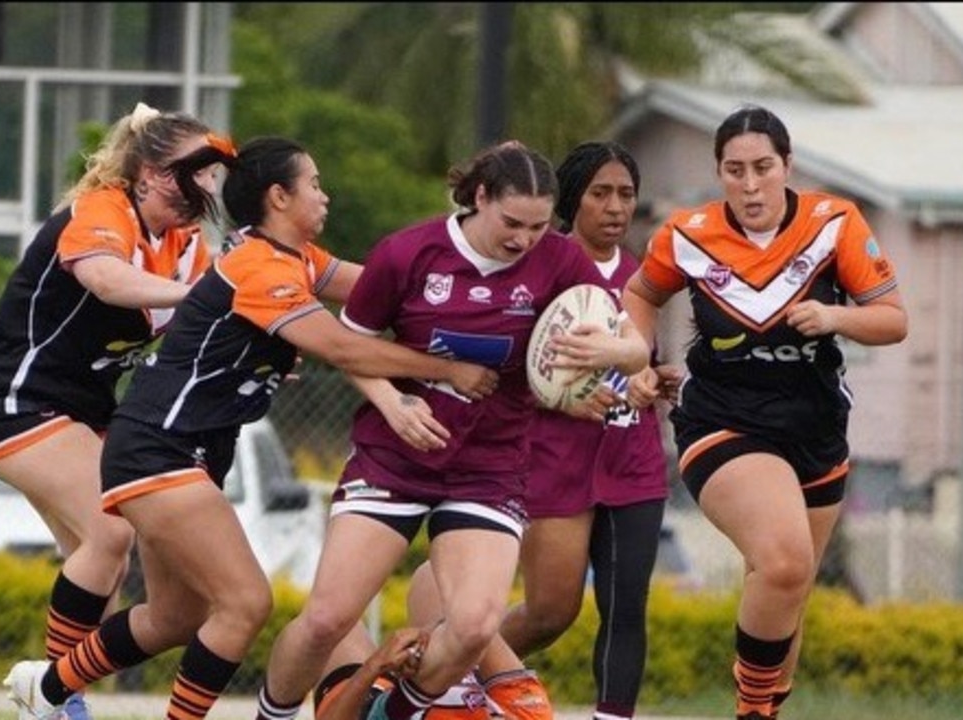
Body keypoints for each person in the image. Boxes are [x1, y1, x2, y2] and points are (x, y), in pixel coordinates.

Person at [1, 135, 499, 720]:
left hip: (178, 451)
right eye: (314, 184)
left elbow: (384, 289)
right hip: (158, 448)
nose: (326, 196)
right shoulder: (260, 267)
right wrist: (446, 369)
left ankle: (49, 687)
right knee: (243, 604)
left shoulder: (299, 261)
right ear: (279, 197)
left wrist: (485, 278)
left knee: (176, 617)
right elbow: (342, 346)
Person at [255, 141, 650, 720]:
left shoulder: (560, 263)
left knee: (472, 626)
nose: (524, 239)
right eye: (512, 223)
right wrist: (393, 405)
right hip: (394, 459)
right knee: (326, 620)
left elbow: (636, 349)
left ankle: (394, 715)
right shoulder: (408, 254)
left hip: (486, 468)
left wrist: (608, 348)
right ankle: (274, 715)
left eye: (540, 226)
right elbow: (351, 349)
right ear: (480, 197)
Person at [609, 104, 908, 720]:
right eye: (734, 170)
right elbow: (640, 293)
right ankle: (750, 710)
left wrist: (834, 317)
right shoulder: (687, 234)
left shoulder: (835, 224)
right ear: (719, 172)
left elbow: (892, 321)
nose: (750, 186)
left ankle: (765, 711)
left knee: (785, 589)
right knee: (784, 561)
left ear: (787, 166)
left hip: (817, 429)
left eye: (763, 168)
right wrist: (637, 359)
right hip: (723, 420)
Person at [0, 101, 237, 720]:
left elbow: (236, 306)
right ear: (155, 174)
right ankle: (55, 698)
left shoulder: (186, 245)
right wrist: (202, 297)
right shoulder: (104, 209)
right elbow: (108, 280)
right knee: (112, 528)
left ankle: (51, 691)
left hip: (81, 407)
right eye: (200, 173)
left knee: (100, 550)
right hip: (12, 396)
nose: (210, 189)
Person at [496, 141, 678, 720]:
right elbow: (511, 369)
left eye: (626, 194)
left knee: (626, 608)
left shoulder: (644, 277)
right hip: (555, 461)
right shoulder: (538, 263)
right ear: (573, 200)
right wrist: (567, 400)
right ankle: (443, 672)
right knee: (551, 610)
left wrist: (654, 379)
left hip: (633, 461)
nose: (616, 206)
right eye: (601, 193)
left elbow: (641, 360)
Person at [315, 562, 547, 720]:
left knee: (325, 623)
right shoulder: (525, 712)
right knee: (438, 576)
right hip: (446, 686)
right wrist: (443, 630)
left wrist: (375, 666)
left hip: (380, 708)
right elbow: (479, 629)